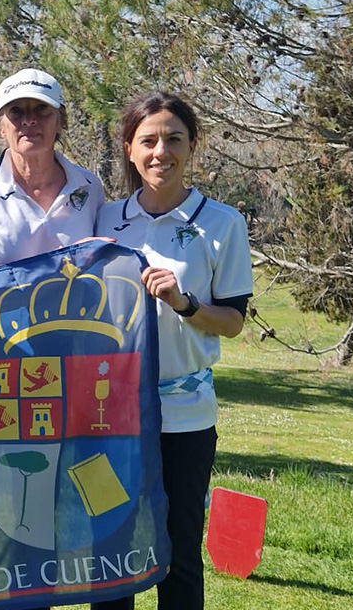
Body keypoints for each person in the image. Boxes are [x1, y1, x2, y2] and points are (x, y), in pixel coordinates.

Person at [93, 92, 253, 610]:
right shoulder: (104, 220)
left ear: (192, 146)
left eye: (174, 139)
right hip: (109, 414)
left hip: (185, 416)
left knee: (179, 552)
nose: (161, 151)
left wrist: (185, 304)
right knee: (112, 550)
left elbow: (233, 323)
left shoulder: (222, 223)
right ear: (130, 149)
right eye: (148, 141)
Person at [0, 68, 106, 269]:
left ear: (60, 122)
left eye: (41, 109)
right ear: (1, 127)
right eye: (16, 111)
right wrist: (69, 259)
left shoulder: (89, 186)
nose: (28, 120)